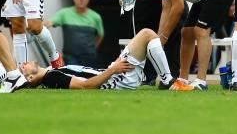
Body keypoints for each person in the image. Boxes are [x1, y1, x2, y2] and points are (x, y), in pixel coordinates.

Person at [134, 0, 234, 91]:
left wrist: (164, 37)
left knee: (201, 31)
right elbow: (166, 7)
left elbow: (178, 7)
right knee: (186, 32)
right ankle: (183, 78)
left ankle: (201, 81)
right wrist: (159, 40)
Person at [20, 28, 172, 91]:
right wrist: (113, 69)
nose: (24, 63)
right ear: (31, 78)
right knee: (147, 34)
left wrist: (112, 66)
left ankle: (165, 80)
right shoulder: (51, 78)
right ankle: (167, 80)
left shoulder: (50, 74)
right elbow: (86, 85)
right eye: (23, 68)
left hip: (114, 73)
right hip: (117, 79)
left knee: (147, 36)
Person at [50, 0, 105, 68]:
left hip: (89, 58)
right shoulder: (64, 13)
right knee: (73, 79)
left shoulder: (96, 17)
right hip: (70, 57)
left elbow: (100, 35)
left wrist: (93, 49)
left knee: (88, 79)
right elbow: (50, 22)